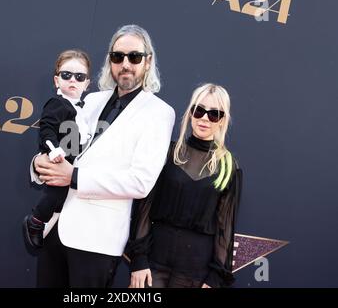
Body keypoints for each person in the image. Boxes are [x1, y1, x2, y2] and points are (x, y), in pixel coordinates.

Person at [29, 24, 175, 287]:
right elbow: (67, 147)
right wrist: (39, 164)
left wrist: (74, 178)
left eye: (134, 57)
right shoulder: (92, 100)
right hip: (56, 228)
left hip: (97, 240)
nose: (126, 64)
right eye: (118, 57)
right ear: (110, 61)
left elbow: (140, 182)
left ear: (148, 61)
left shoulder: (159, 113)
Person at [126, 83, 243, 288]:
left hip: (196, 269)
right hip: (155, 261)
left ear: (222, 120)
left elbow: (225, 227)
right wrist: (139, 259)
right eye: (199, 110)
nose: (204, 118)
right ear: (190, 113)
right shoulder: (167, 153)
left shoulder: (228, 167)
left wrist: (215, 279)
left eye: (214, 114)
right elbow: (144, 207)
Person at [23, 49, 91, 249]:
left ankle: (42, 226)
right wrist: (53, 151)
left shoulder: (85, 108)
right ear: (56, 80)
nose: (72, 80)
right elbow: (47, 129)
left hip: (74, 165)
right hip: (60, 160)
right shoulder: (56, 104)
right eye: (66, 75)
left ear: (87, 84)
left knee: (61, 199)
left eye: (79, 77)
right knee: (55, 195)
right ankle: (35, 222)